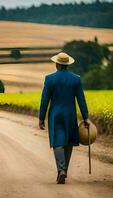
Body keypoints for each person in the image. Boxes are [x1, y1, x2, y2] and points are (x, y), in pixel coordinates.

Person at [39, 52, 90, 184]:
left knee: (58, 142)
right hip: (70, 114)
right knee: (68, 142)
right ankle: (64, 170)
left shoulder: (49, 79)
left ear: (57, 64)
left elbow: (45, 99)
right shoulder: (76, 79)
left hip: (56, 115)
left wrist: (41, 118)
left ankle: (61, 170)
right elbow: (81, 99)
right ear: (67, 64)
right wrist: (86, 117)